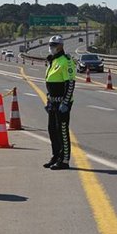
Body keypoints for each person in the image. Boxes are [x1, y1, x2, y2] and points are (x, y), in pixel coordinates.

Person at [43, 35, 75, 170]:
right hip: (53, 102)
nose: (51, 47)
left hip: (62, 102)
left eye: (54, 45)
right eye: (50, 45)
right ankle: (55, 156)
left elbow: (71, 84)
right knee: (52, 130)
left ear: (61, 46)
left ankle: (64, 160)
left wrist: (66, 103)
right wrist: (48, 100)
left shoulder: (66, 61)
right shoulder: (53, 61)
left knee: (61, 130)